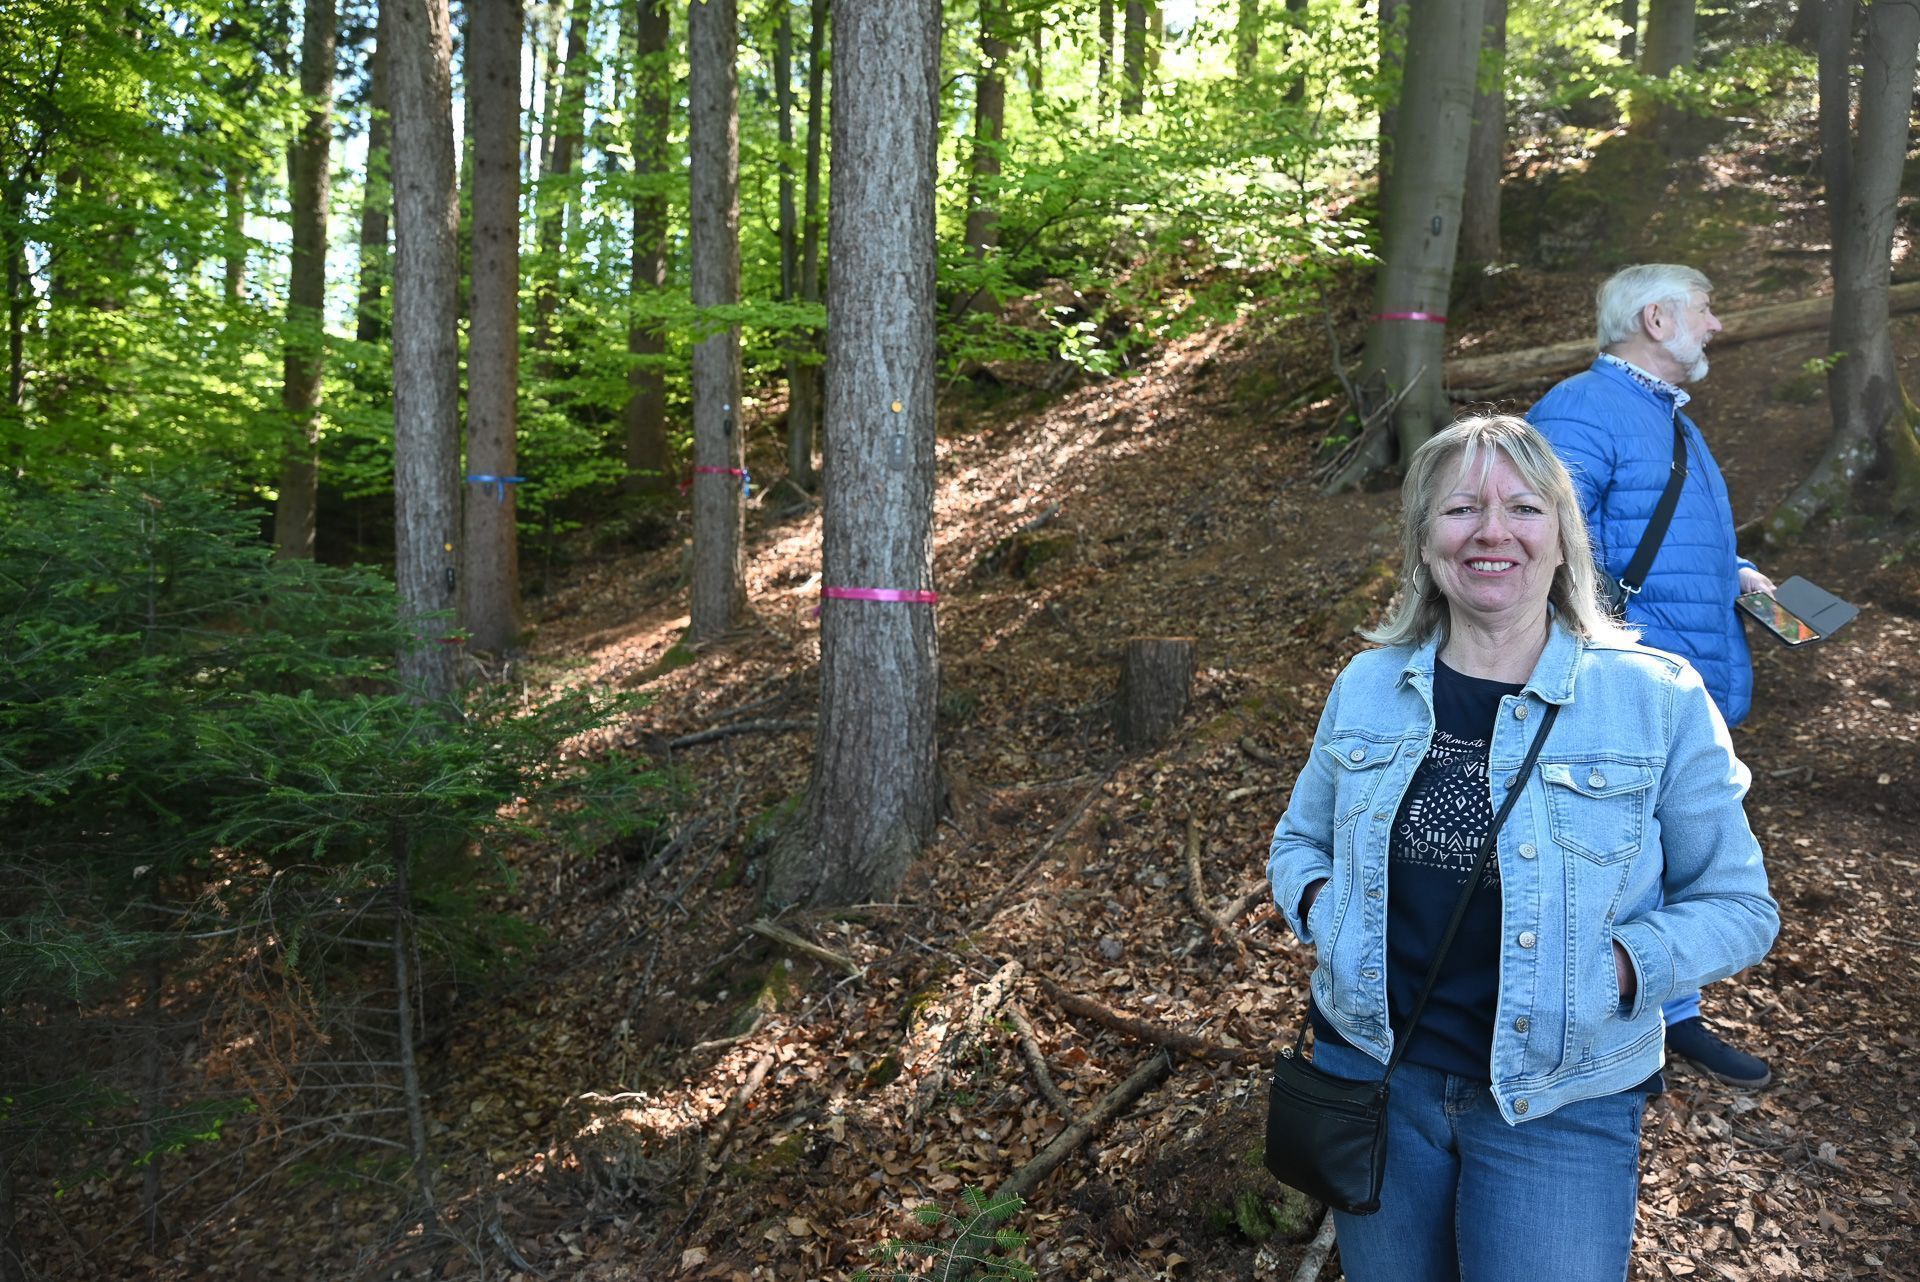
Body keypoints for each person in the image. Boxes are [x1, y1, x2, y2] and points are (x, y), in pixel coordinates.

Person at [1266, 415, 1778, 1282]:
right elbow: (1298, 841)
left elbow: (1739, 906)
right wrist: (1326, 911)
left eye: (1524, 508)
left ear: (1561, 537)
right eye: (1461, 509)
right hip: (1376, 1080)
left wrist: (1620, 963)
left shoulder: (1653, 698)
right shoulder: (1368, 687)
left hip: (1562, 1100)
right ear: (1425, 542)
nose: (1492, 531)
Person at [1529, 263, 1775, 1089]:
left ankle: (1672, 1016)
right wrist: (1614, 641)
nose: (1716, 325)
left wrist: (1732, 570)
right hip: (1624, 674)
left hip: (1678, 670)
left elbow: (1649, 527)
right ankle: (1603, 1027)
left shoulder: (1670, 419)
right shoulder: (1579, 407)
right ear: (1658, 319)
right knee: (1610, 847)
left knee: (1663, 847)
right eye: (1705, 311)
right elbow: (1541, 536)